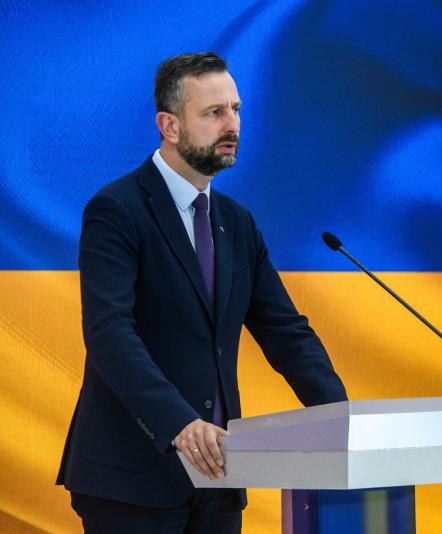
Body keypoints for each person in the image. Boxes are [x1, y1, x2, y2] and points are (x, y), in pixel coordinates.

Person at [56, 52, 347, 532]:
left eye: (236, 109)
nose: (231, 125)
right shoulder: (116, 210)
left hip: (219, 478)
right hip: (131, 478)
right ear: (169, 125)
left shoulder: (236, 222)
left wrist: (341, 417)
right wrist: (179, 423)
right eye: (214, 112)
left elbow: (286, 333)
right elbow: (110, 333)